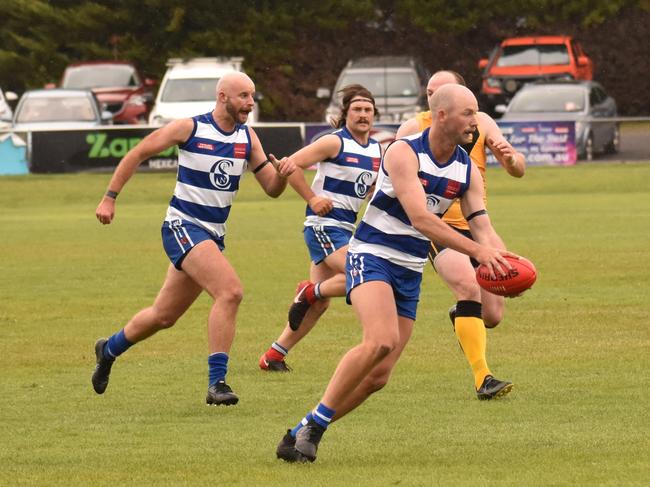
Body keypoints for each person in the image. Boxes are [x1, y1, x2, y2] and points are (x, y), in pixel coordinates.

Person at [276, 84, 519, 463]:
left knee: (379, 377)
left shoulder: (466, 169)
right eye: (468, 113)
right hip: (371, 254)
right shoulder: (404, 152)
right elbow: (421, 218)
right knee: (381, 340)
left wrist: (502, 260)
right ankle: (315, 428)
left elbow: (482, 226)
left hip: (410, 268)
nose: (476, 121)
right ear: (442, 116)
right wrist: (477, 251)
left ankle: (304, 428)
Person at [91, 72, 296, 405]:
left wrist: (284, 177)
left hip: (212, 236)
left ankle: (109, 349)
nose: (249, 102)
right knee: (230, 292)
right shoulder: (189, 128)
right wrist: (109, 197)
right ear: (222, 97)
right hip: (182, 226)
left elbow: (272, 188)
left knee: (163, 316)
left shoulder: (248, 138)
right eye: (243, 95)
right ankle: (218, 384)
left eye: (252, 95)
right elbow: (138, 153)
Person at [396, 70, 526, 399]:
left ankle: (462, 316)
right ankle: (484, 379)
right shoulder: (413, 129)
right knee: (468, 286)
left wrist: (511, 159)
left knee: (493, 315)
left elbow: (517, 169)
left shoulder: (478, 123)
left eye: (440, 91)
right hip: (437, 226)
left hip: (477, 222)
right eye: (429, 92)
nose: (432, 98)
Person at [258, 84, 381, 372]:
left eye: (368, 110)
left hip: (345, 228)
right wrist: (312, 198)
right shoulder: (333, 143)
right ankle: (309, 292)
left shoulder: (377, 150)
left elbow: (372, 190)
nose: (363, 115)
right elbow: (289, 165)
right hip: (324, 226)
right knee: (362, 274)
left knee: (321, 303)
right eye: (357, 110)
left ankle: (273, 356)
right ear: (346, 114)